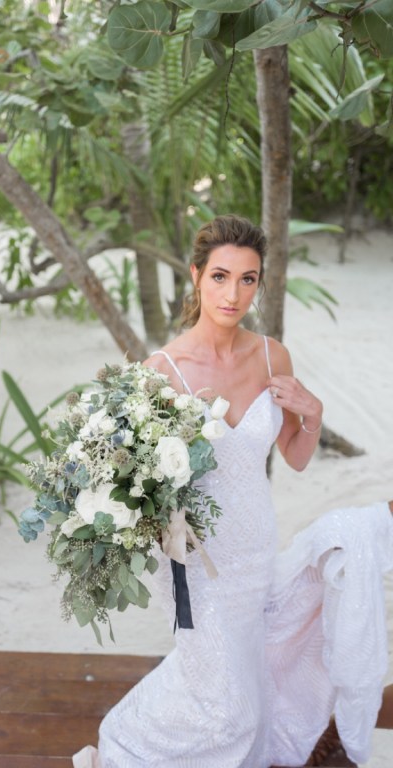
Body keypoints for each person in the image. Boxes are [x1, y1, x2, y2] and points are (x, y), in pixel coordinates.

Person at [74, 215, 393, 767]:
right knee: (226, 704)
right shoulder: (163, 371)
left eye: (248, 279)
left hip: (257, 544)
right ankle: (128, 742)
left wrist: (312, 414)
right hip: (200, 560)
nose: (234, 293)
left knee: (243, 674)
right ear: (196, 277)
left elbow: (293, 457)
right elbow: (131, 484)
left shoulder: (273, 356)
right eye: (221, 276)